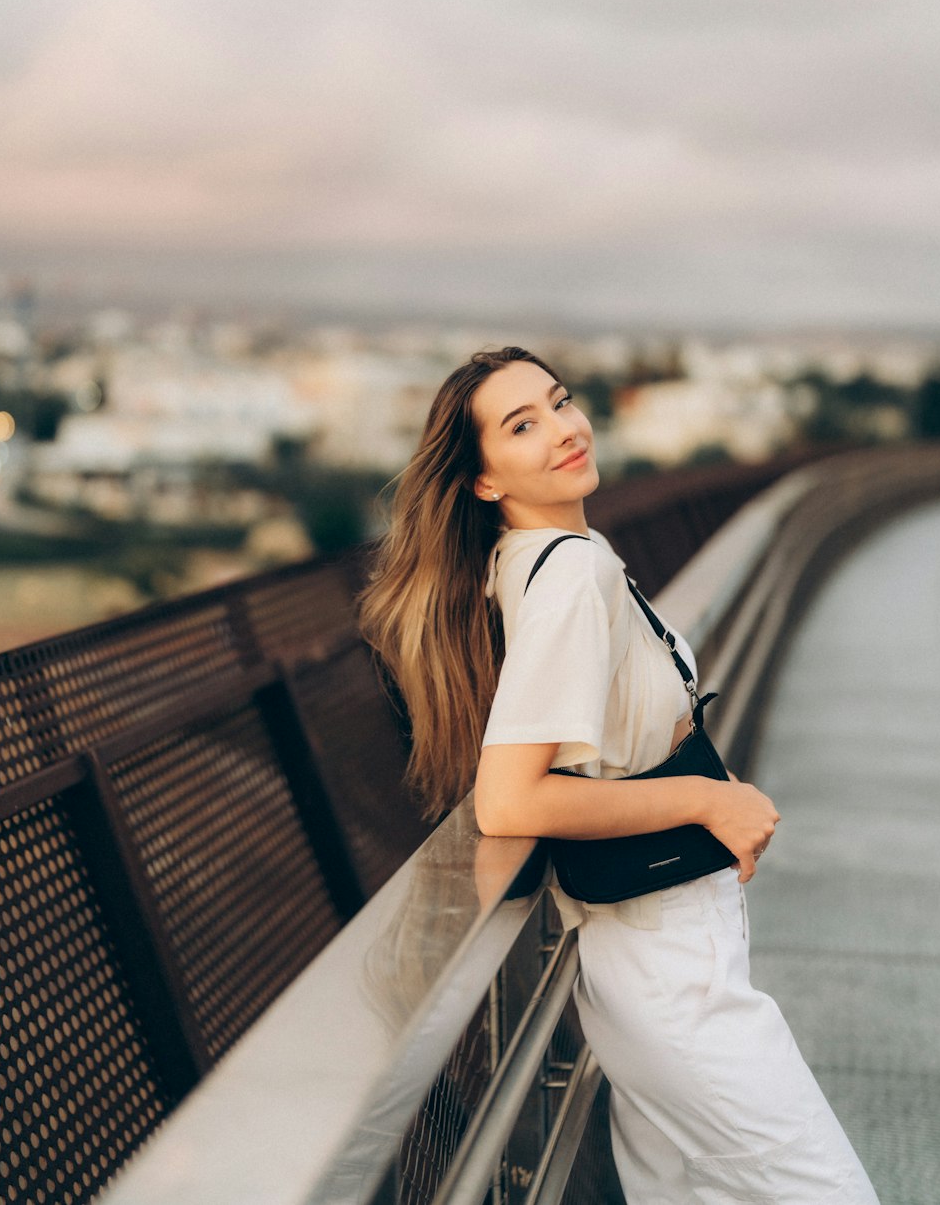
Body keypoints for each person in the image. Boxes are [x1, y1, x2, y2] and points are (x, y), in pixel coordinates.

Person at [360, 346, 880, 1204]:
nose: (565, 428)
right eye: (523, 425)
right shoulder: (573, 574)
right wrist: (712, 796)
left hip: (643, 958)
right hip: (664, 962)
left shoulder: (541, 557)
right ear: (483, 480)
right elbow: (510, 798)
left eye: (560, 403)